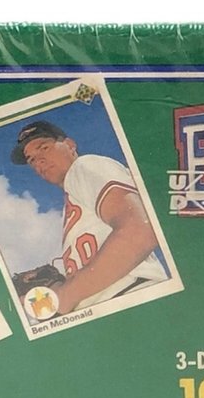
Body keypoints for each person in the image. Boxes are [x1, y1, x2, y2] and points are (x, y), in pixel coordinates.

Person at [10, 119, 167, 311]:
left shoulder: (84, 166)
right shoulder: (74, 203)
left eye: (44, 148)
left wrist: (65, 295)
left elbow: (140, 230)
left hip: (132, 296)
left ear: (70, 145)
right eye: (31, 159)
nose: (38, 161)